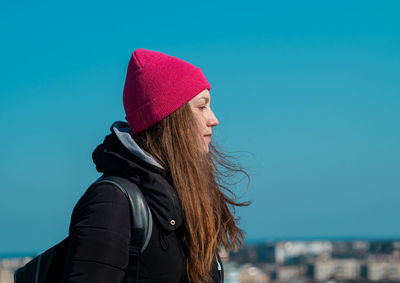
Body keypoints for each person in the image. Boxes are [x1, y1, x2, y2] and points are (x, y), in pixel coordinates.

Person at [61, 48, 250, 283]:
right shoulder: (111, 201)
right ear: (171, 117)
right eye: (202, 107)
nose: (214, 119)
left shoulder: (186, 193)